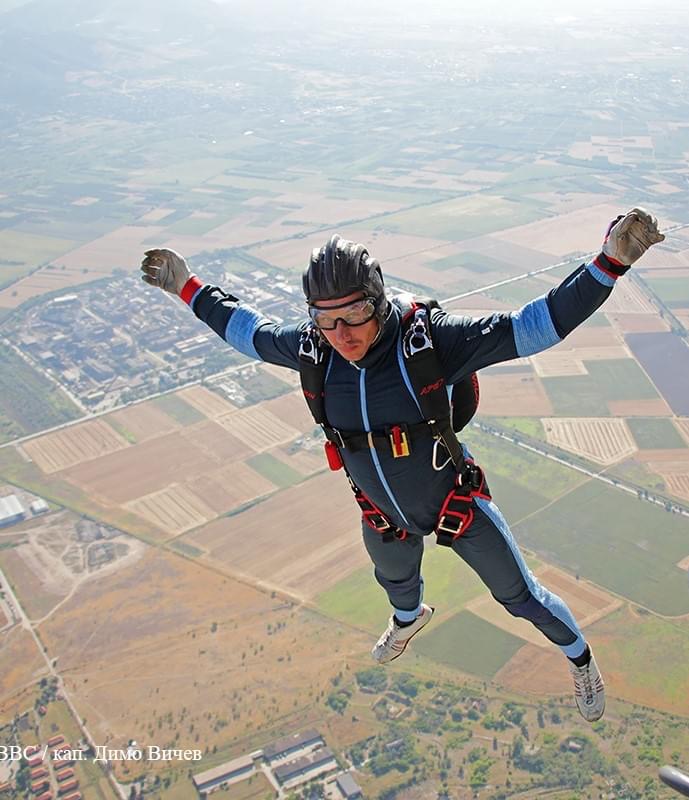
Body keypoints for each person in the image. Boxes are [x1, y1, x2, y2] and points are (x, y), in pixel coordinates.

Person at [140, 208, 664, 723]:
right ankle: (409, 621)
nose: (341, 335)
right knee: (397, 587)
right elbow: (248, 331)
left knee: (521, 597)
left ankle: (581, 661)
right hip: (383, 516)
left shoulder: (429, 342)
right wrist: (187, 286)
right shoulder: (315, 350)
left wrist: (608, 265)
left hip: (456, 505)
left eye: (353, 317)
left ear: (378, 301)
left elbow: (534, 326)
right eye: (325, 321)